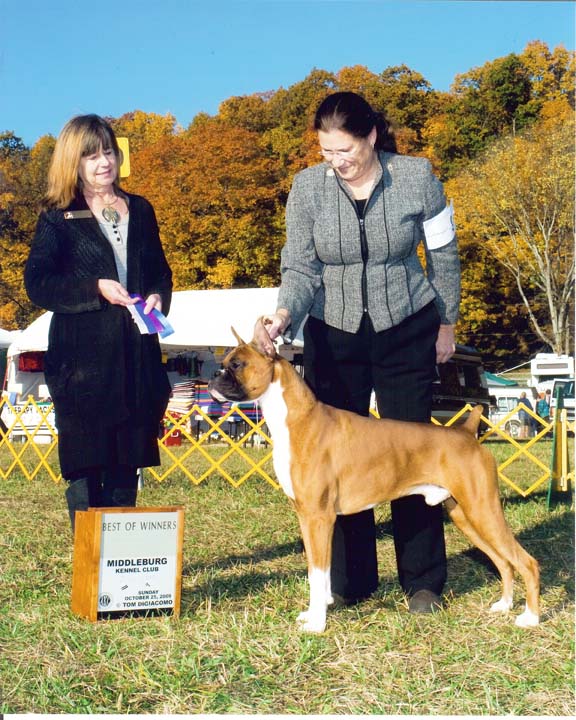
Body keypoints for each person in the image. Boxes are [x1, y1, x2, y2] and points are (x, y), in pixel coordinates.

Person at [259, 91, 461, 614]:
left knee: (412, 450)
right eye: (326, 152)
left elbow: (444, 255)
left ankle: (422, 582)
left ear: (371, 136)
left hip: (406, 325)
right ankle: (349, 582)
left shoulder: (417, 177)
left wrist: (447, 319)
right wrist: (284, 315)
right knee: (336, 457)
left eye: (345, 150)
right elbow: (300, 268)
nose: (336, 162)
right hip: (334, 330)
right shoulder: (306, 190)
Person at [24, 115, 173, 531]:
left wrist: (159, 298)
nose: (103, 162)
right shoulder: (58, 216)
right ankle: (91, 571)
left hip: (136, 360)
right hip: (82, 366)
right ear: (74, 162)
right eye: (91, 155)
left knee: (127, 464)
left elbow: (161, 271)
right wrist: (96, 289)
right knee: (87, 470)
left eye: (108, 151)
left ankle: (119, 578)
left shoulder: (141, 209)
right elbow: (38, 283)